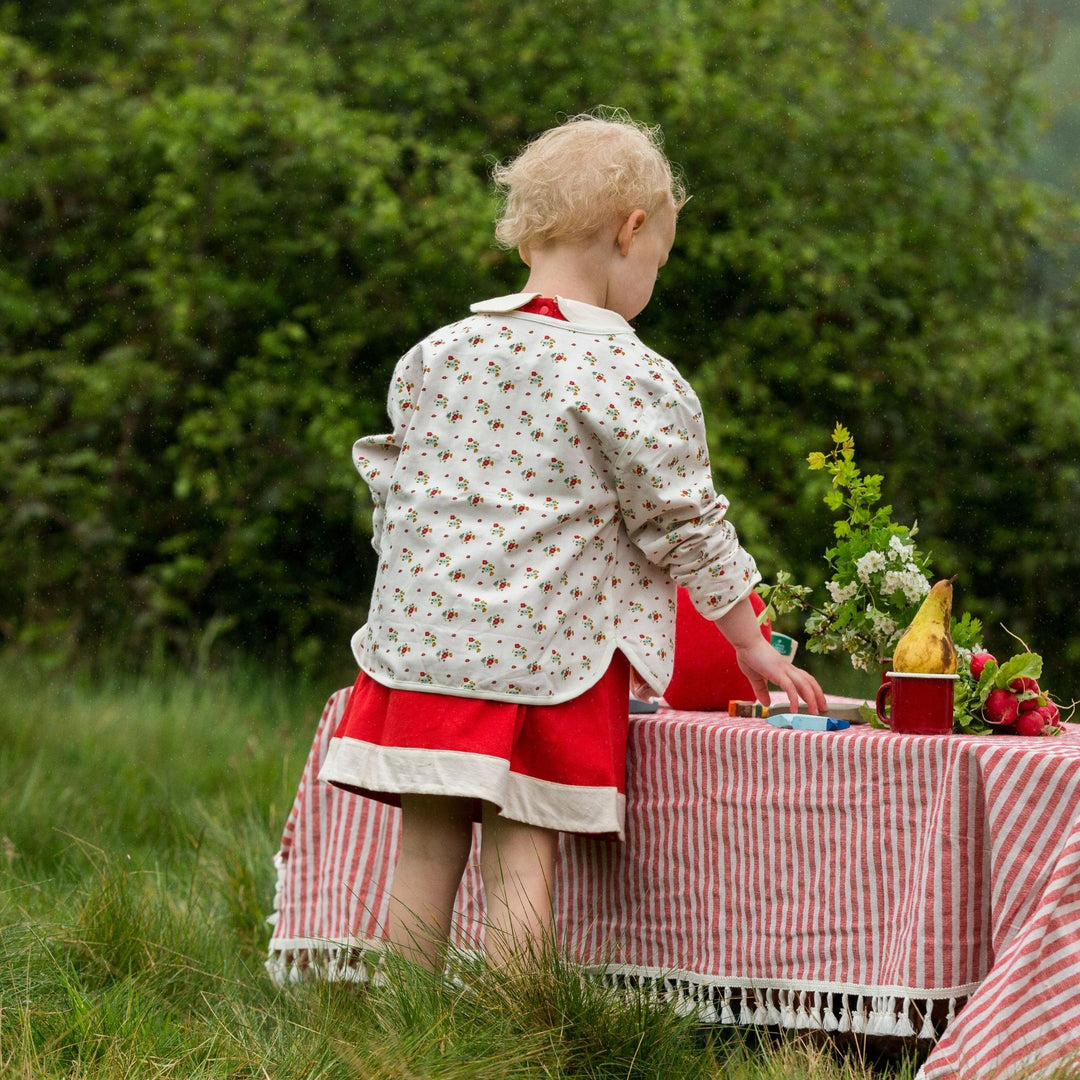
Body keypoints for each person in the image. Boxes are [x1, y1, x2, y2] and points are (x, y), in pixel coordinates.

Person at [317, 109, 826, 974]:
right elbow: (685, 522)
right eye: (658, 262)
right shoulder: (633, 375)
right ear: (633, 232)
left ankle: (401, 1041)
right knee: (525, 849)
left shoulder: (440, 352)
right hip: (549, 658)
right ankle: (510, 1041)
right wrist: (748, 640)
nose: (652, 281)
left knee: (428, 847)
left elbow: (394, 488)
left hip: (423, 649)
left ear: (529, 241)